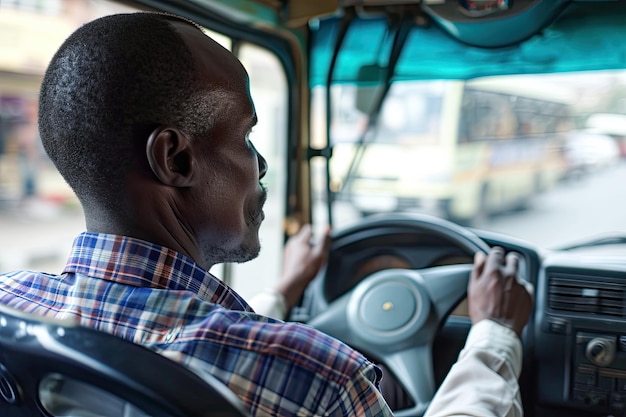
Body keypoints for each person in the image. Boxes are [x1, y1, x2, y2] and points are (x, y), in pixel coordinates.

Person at [0, 12, 533, 417]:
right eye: (245, 137)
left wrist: (281, 292)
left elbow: (175, 336)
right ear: (176, 158)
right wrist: (493, 335)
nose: (261, 164)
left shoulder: (12, 310)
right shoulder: (321, 379)